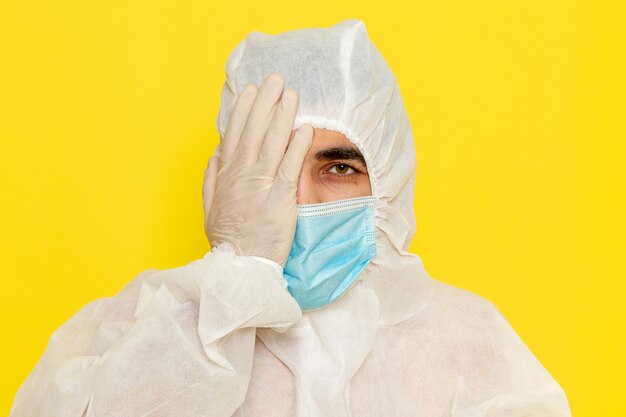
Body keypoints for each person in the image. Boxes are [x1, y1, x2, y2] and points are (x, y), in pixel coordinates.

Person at [9, 19, 571, 417]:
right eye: (271, 166)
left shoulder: (468, 342)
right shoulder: (149, 328)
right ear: (228, 178)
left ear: (389, 179)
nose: (296, 200)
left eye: (340, 167)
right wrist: (237, 274)